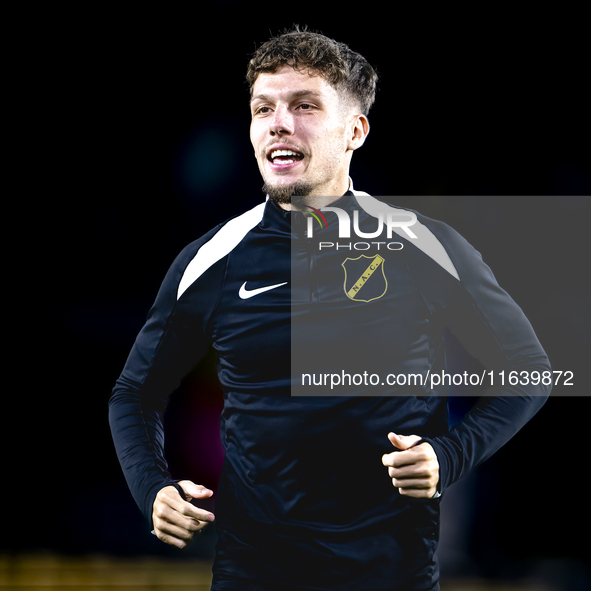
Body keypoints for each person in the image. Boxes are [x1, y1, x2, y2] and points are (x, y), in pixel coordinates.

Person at [109, 27, 551, 591]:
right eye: (262, 107)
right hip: (253, 574)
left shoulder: (424, 247)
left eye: (305, 105)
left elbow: (528, 370)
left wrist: (450, 456)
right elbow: (134, 393)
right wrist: (153, 488)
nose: (278, 123)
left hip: (391, 575)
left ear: (355, 131)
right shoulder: (211, 258)